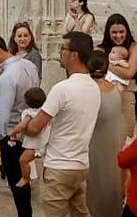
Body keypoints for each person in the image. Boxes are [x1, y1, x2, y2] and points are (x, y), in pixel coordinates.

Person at [25, 31, 101, 216]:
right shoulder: (94, 87)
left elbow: (35, 127)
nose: (60, 52)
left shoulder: (62, 89)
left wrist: (25, 122)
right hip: (80, 164)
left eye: (63, 48)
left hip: (59, 166)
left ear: (74, 54)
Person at [0, 33, 39, 217]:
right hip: (28, 128)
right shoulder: (29, 64)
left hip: (13, 133)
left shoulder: (7, 76)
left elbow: (4, 113)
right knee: (24, 177)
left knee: (17, 181)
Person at [85, 51, 125, 217]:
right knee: (110, 184)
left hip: (92, 145)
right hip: (112, 144)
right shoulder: (116, 90)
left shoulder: (88, 92)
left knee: (94, 185)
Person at [101, 12, 137, 138]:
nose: (118, 36)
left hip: (126, 95)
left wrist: (107, 64)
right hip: (104, 94)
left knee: (126, 135)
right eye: (114, 32)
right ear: (108, 33)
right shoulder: (100, 48)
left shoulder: (134, 47)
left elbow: (129, 73)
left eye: (121, 32)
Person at [6, 86, 48, 188]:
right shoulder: (45, 112)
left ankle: (26, 177)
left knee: (23, 161)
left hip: (33, 146)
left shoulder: (29, 113)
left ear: (27, 102)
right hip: (45, 143)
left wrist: (12, 132)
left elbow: (22, 126)